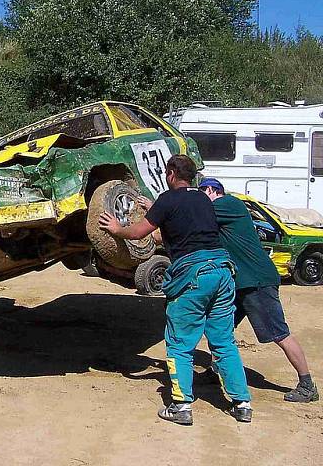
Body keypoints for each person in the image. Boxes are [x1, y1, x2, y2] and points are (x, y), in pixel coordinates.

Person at [99, 155, 252, 425]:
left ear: (171, 173)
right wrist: (154, 208)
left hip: (194, 276)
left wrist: (116, 228)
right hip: (222, 271)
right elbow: (176, 227)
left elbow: (138, 233)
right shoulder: (203, 199)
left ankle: (181, 406)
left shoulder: (168, 199)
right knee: (224, 342)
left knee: (180, 343)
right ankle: (242, 403)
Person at [198, 177, 318, 403]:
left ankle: (307, 385)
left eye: (201, 191)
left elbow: (194, 213)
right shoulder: (218, 213)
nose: (200, 196)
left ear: (213, 191)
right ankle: (215, 372)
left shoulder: (229, 204)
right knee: (219, 328)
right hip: (241, 283)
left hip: (256, 282)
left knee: (279, 334)